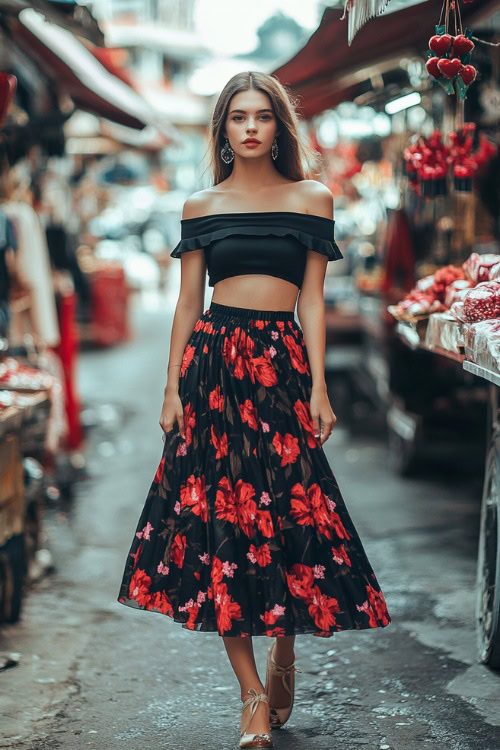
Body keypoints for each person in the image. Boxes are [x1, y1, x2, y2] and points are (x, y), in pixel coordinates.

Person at [117, 71, 391, 749]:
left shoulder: (313, 199)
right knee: (224, 528)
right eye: (237, 117)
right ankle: (250, 697)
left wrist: (319, 388)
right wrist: (171, 388)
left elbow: (315, 302)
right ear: (223, 129)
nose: (248, 128)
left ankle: (285, 645)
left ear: (278, 127)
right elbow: (187, 303)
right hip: (213, 370)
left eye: (261, 117)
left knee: (291, 516)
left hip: (283, 370)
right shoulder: (199, 205)